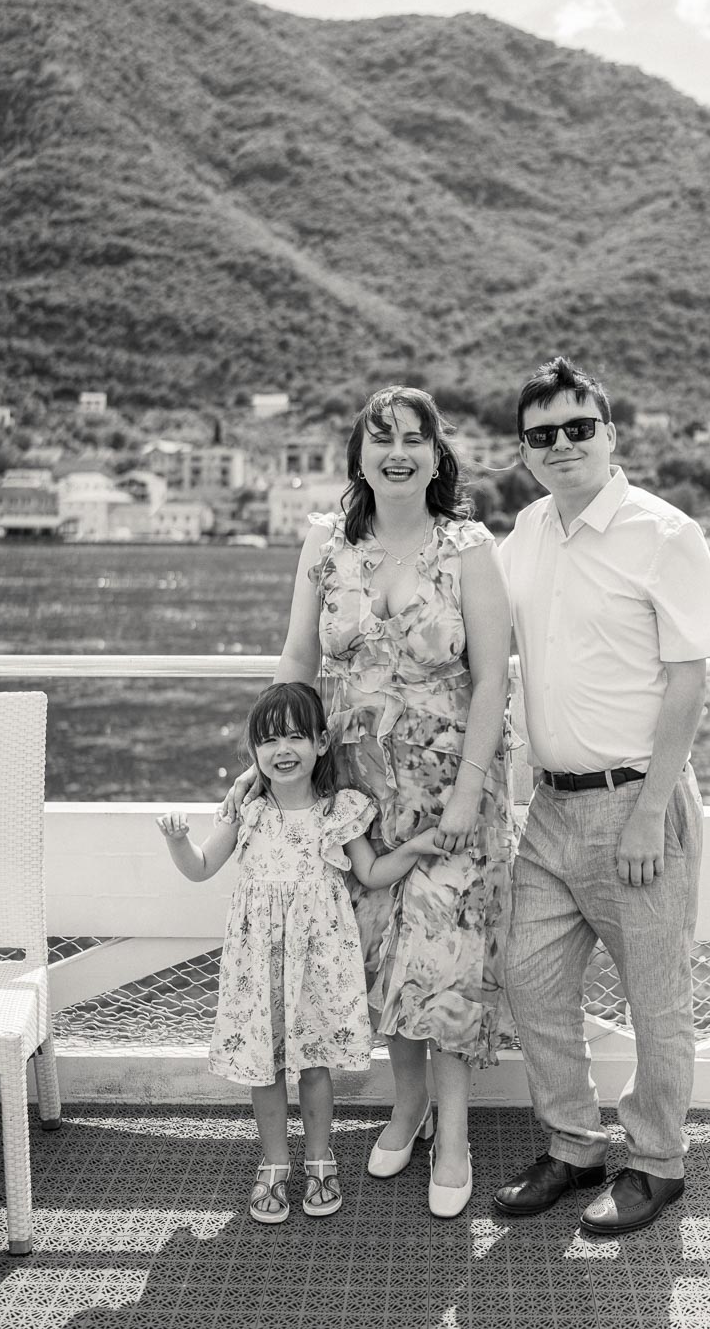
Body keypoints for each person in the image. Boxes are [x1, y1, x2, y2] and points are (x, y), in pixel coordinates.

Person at [226, 386, 514, 1218]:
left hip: (450, 791)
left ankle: (452, 1138)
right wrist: (266, 766)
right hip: (352, 791)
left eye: (414, 439)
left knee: (445, 960)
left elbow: (494, 676)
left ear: (435, 454)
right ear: (357, 452)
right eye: (380, 436)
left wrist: (467, 793)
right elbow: (296, 658)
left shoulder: (467, 545)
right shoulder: (324, 543)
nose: (397, 451)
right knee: (381, 954)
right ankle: (407, 1103)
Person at [494, 356, 710, 1236]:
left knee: (657, 1000)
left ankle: (657, 1162)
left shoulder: (663, 533)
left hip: (639, 801)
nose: (562, 446)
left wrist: (649, 810)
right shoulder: (523, 532)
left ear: (609, 432)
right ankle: (571, 1145)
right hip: (548, 811)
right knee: (528, 983)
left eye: (578, 428)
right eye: (542, 435)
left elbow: (689, 683)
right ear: (525, 450)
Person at [157, 681, 443, 1225]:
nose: (281, 749)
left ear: (319, 743)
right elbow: (200, 867)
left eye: (294, 736)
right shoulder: (249, 811)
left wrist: (414, 847)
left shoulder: (338, 811)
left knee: (313, 1066)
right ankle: (274, 1165)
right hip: (256, 961)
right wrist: (177, 842)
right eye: (268, 740)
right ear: (253, 752)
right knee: (264, 1069)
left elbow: (371, 872)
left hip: (318, 960)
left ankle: (319, 1158)